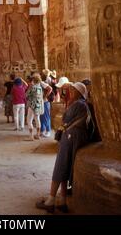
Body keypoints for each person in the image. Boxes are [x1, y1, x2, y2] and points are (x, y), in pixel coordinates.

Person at [36, 82, 92, 213]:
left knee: (60, 166)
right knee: (65, 168)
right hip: (75, 137)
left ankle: (50, 201)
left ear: (78, 93)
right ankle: (62, 201)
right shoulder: (82, 104)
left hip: (70, 137)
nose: (70, 93)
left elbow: (65, 119)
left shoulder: (78, 104)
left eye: (73, 91)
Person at [26, 73, 44, 140]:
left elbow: (26, 95)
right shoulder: (40, 87)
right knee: (37, 119)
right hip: (38, 105)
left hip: (32, 106)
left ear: (34, 80)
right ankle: (38, 135)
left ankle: (31, 136)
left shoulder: (32, 87)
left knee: (29, 120)